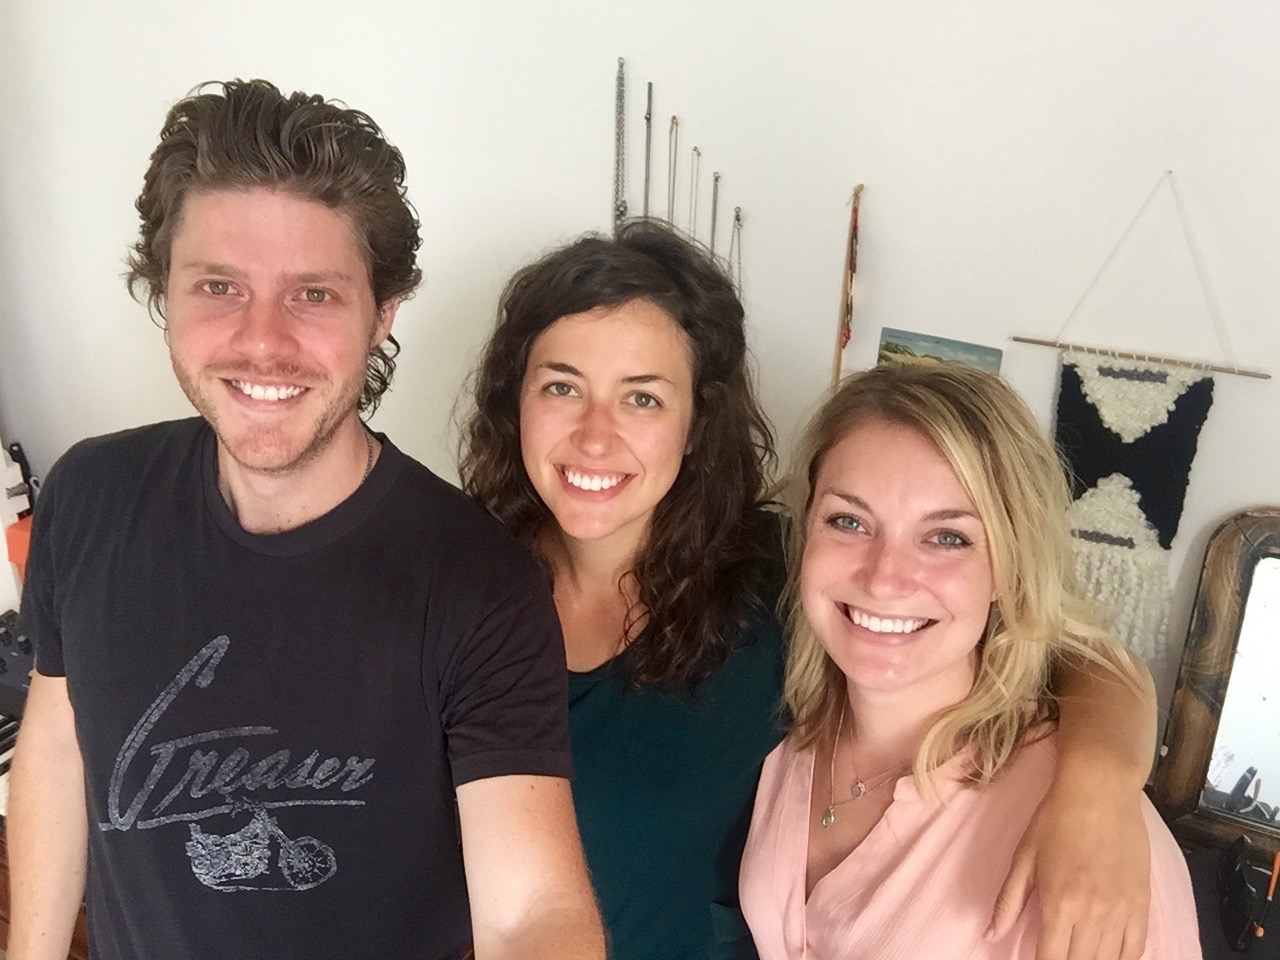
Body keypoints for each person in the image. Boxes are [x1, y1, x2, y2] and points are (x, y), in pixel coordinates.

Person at [7, 79, 604, 960]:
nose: (262, 341)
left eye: (313, 294)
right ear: (165, 293)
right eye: (218, 285)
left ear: (381, 314)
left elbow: (529, 917)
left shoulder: (480, 585)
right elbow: (59, 748)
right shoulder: (88, 496)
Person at [459, 221, 1163, 960]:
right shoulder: (455, 587)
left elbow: (1082, 655)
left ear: (698, 421)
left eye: (642, 398)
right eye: (562, 386)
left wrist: (1098, 787)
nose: (596, 436)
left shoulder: (781, 576)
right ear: (515, 402)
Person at [739, 362, 1200, 959]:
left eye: (947, 537)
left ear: (1008, 569)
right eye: (848, 521)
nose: (883, 579)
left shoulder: (1089, 837)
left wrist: (1102, 779)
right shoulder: (784, 726)